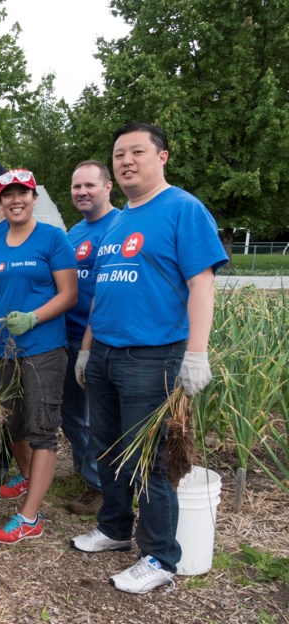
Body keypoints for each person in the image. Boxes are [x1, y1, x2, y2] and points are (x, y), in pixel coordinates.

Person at [71, 122, 227, 594]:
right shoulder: (117, 222)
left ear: (162, 157)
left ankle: (159, 557)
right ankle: (115, 528)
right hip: (105, 354)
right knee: (109, 449)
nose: (126, 161)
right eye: (119, 154)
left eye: (137, 151)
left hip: (152, 355)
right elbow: (101, 292)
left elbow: (202, 284)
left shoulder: (183, 209)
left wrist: (195, 354)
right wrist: (85, 350)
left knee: (148, 460)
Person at [0, 169, 77, 545]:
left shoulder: (52, 238)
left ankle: (30, 517)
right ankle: (31, 481)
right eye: (9, 194)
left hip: (43, 348)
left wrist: (33, 317)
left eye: (23, 194)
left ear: (33, 199)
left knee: (42, 430)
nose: (16, 200)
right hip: (2, 349)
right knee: (11, 425)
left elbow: (68, 295)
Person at [62, 160, 120, 516]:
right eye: (76, 187)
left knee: (97, 417)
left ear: (107, 186)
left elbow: (106, 294)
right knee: (73, 417)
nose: (82, 192)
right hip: (67, 335)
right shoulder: (75, 232)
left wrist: (87, 345)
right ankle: (90, 473)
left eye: (89, 186)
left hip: (98, 338)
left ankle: (102, 485)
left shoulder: (118, 227)